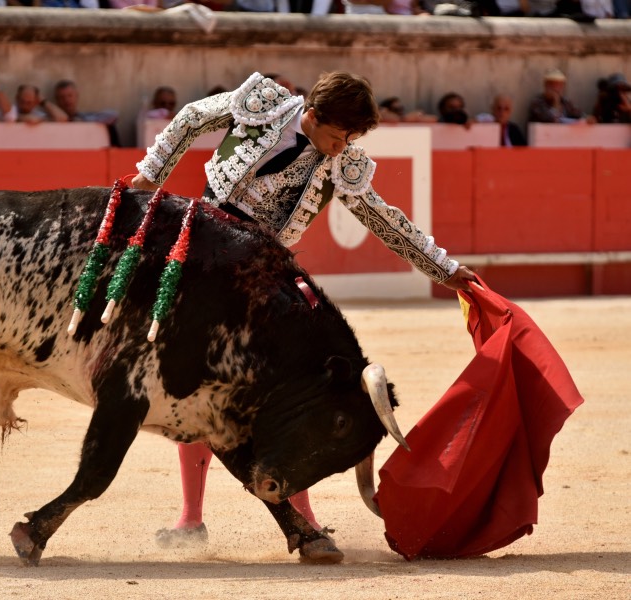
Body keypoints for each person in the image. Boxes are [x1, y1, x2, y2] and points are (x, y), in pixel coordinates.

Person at [132, 71, 478, 559]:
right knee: (196, 387)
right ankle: (191, 518)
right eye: (337, 137)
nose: (340, 150)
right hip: (205, 256)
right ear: (311, 115)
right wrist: (151, 173)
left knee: (293, 393)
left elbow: (385, 219)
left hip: (265, 272)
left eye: (349, 141)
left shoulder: (344, 165)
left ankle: (307, 519)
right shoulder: (262, 103)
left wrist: (445, 269)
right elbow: (190, 119)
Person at [53, 79, 121, 146]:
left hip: (90, 152)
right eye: (62, 97)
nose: (66, 100)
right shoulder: (52, 120)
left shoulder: (85, 117)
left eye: (70, 96)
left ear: (77, 96)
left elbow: (113, 115)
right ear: (57, 100)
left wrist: (81, 121)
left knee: (110, 127)